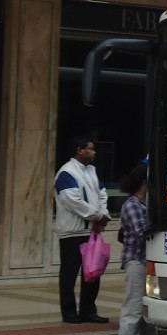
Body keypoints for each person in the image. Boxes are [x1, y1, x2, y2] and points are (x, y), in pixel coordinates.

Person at [54, 135, 111, 324]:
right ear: (80, 150)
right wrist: (97, 216)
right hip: (72, 232)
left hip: (90, 232)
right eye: (91, 149)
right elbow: (73, 202)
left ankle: (88, 310)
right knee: (69, 273)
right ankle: (69, 312)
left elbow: (102, 195)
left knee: (92, 273)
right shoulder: (66, 173)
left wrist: (102, 215)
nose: (94, 152)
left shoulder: (92, 171)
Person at [117, 164, 160, 335]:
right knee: (134, 304)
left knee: (149, 305)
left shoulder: (147, 203)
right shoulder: (132, 205)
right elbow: (141, 231)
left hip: (148, 259)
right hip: (135, 259)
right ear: (144, 182)